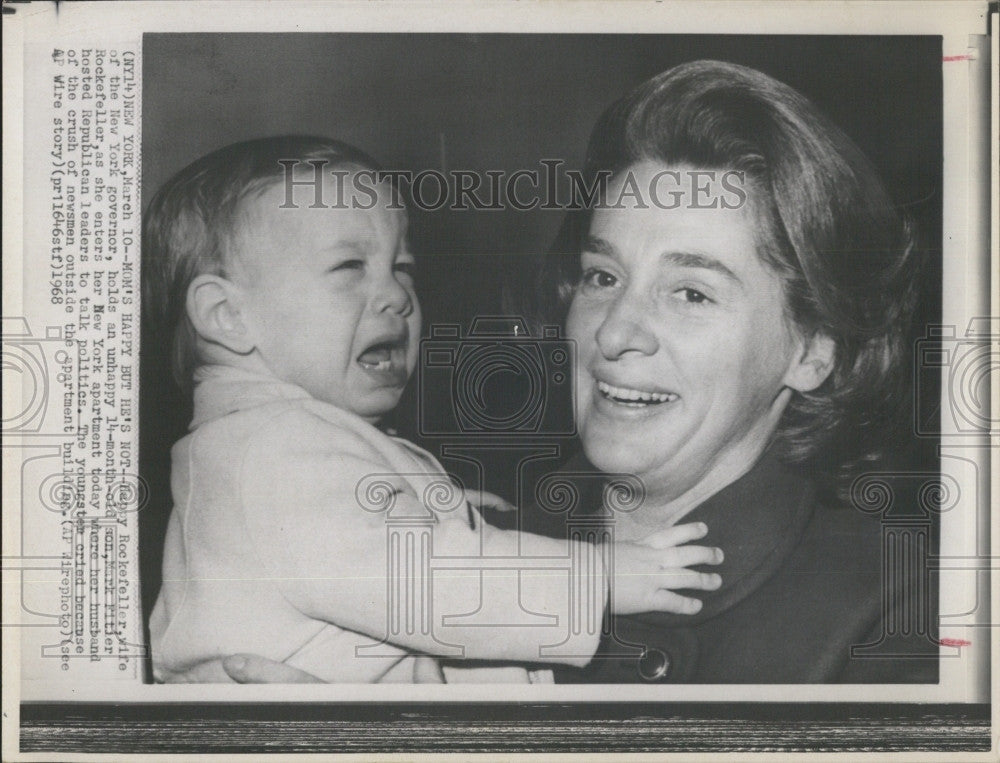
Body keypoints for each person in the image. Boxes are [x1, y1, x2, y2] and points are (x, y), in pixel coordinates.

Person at [172, 60, 937, 684]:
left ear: (813, 349)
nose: (615, 331)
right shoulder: (485, 535)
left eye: (691, 291)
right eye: (603, 276)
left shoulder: (895, 609)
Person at [143, 136, 723, 683]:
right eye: (350, 267)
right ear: (226, 315)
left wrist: (428, 502)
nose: (398, 295)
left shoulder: (268, 451)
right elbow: (416, 581)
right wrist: (600, 579)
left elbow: (347, 551)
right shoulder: (271, 451)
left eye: (403, 267)